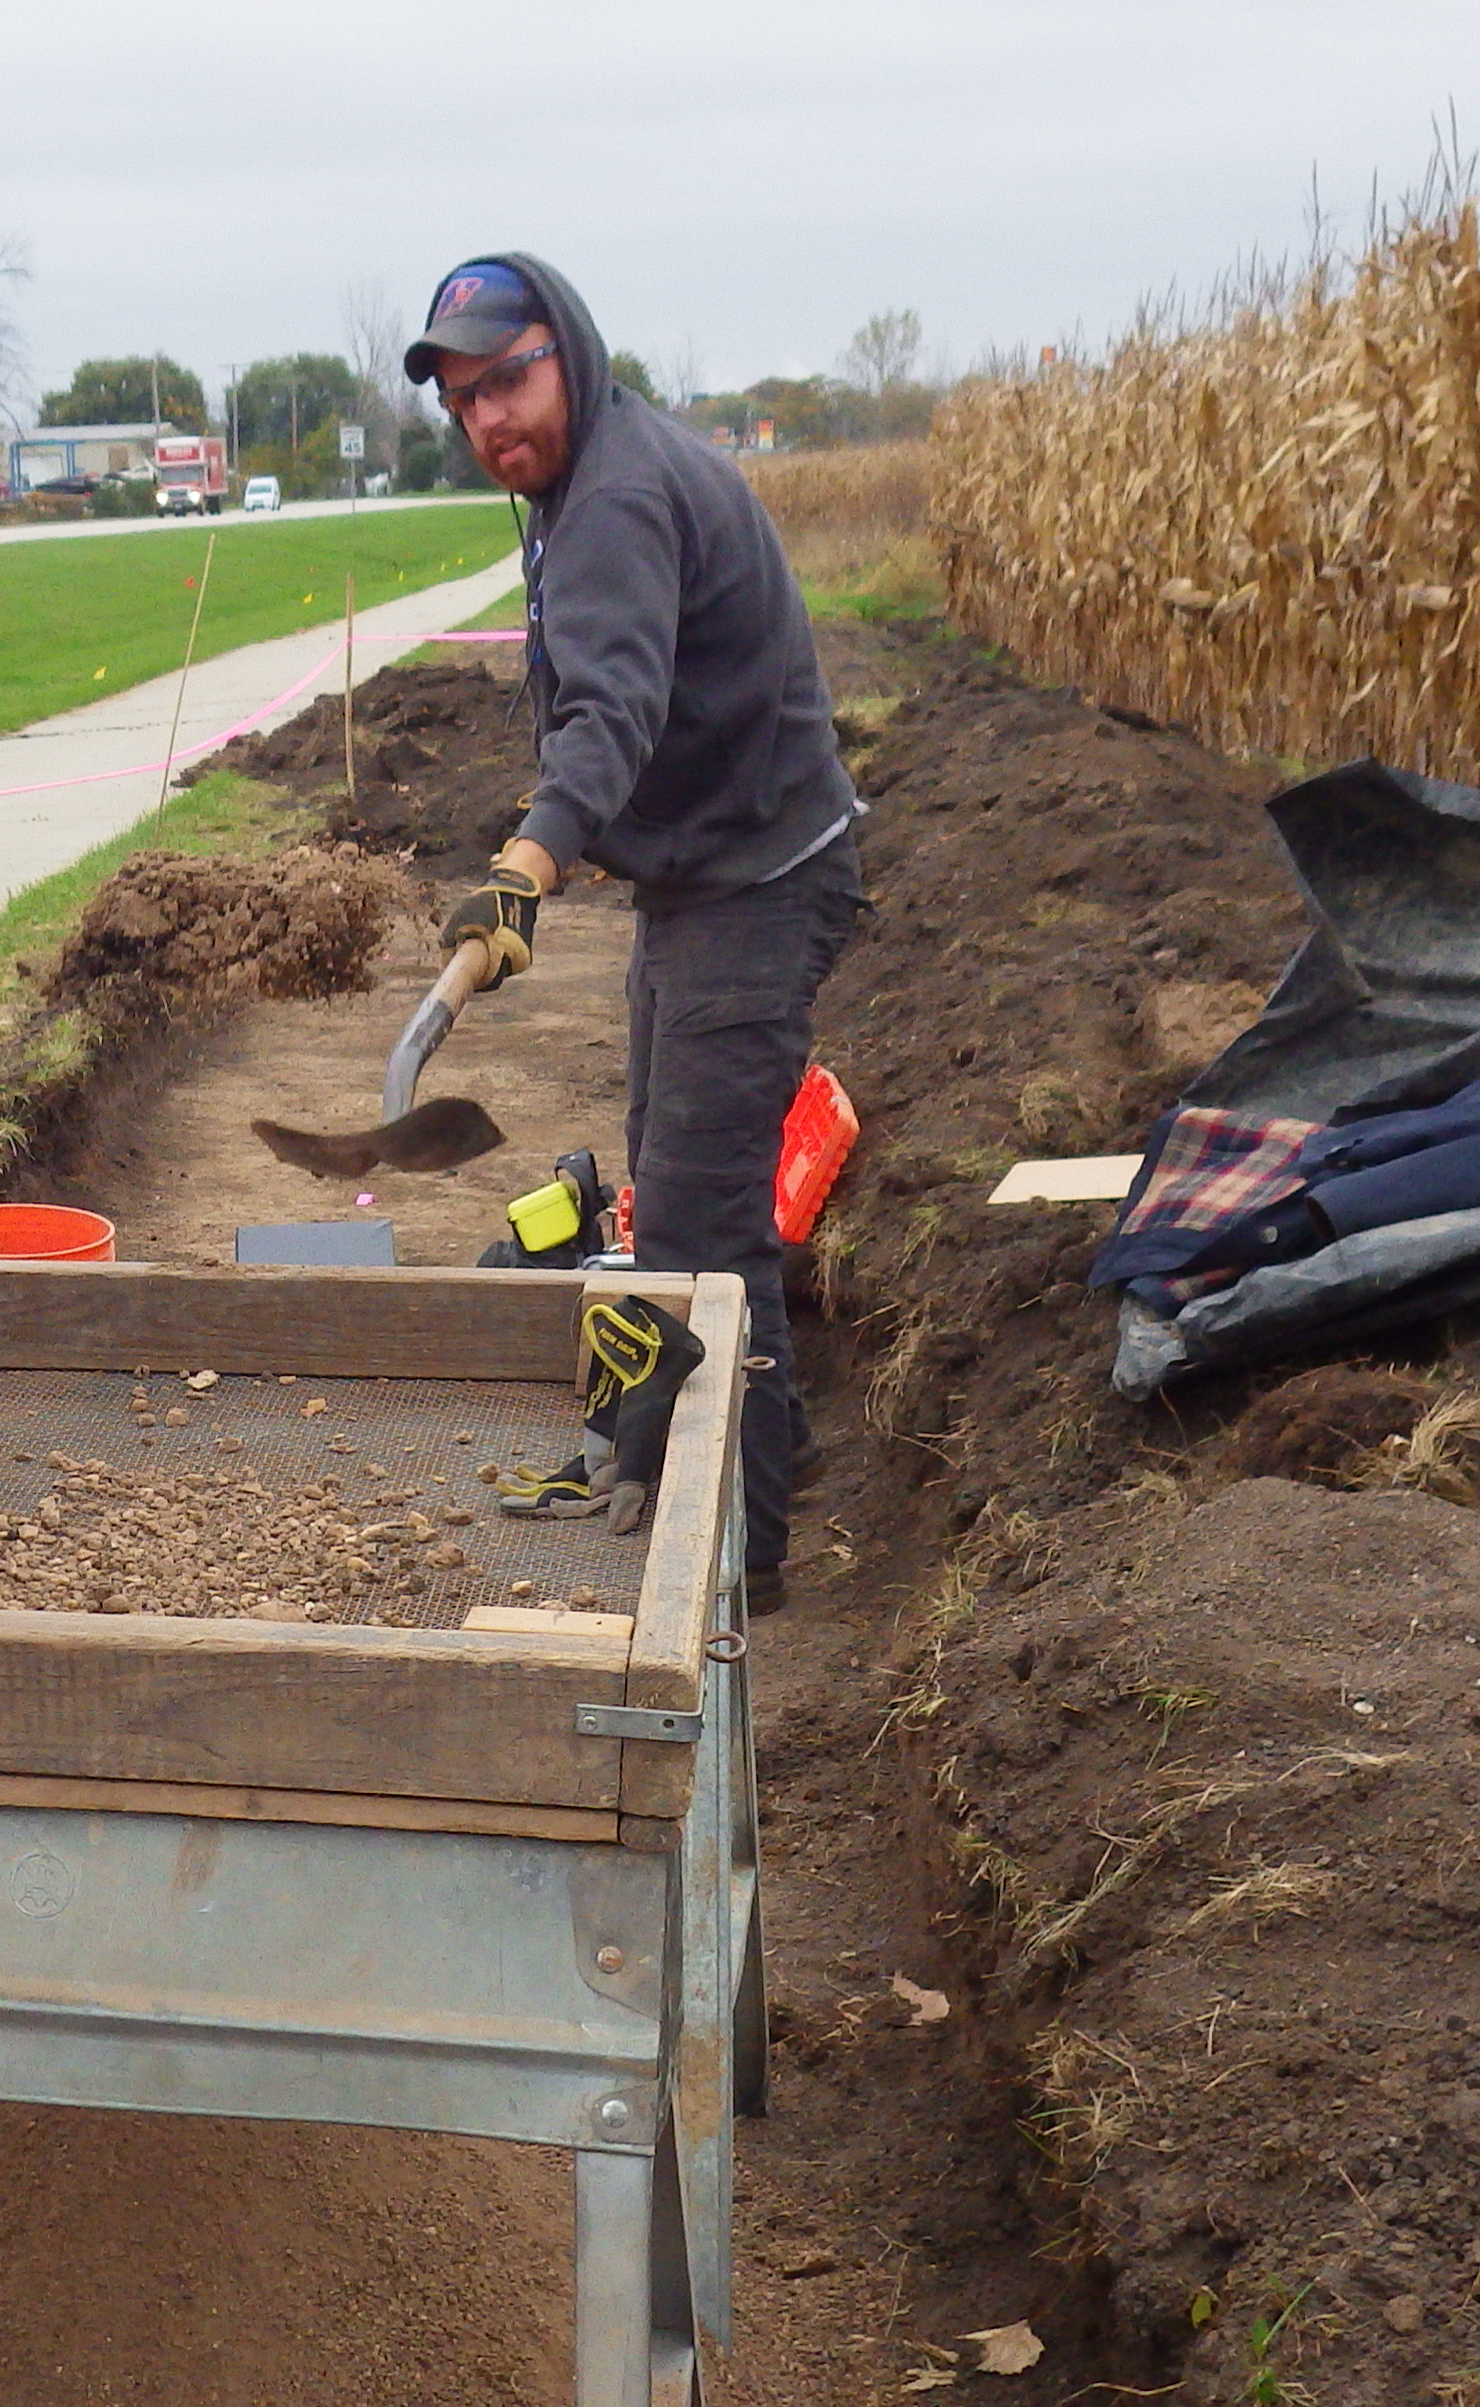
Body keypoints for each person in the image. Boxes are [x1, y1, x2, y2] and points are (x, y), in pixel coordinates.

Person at [408, 253, 863, 1604]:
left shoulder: (608, 497)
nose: (489, 418)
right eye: (463, 399)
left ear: (573, 355)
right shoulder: (577, 481)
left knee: (715, 1239)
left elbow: (613, 716)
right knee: (671, 1209)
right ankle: (697, 1465)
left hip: (761, 884)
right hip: (706, 882)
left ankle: (744, 1562)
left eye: (510, 379)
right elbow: (611, 704)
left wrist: (526, 869)